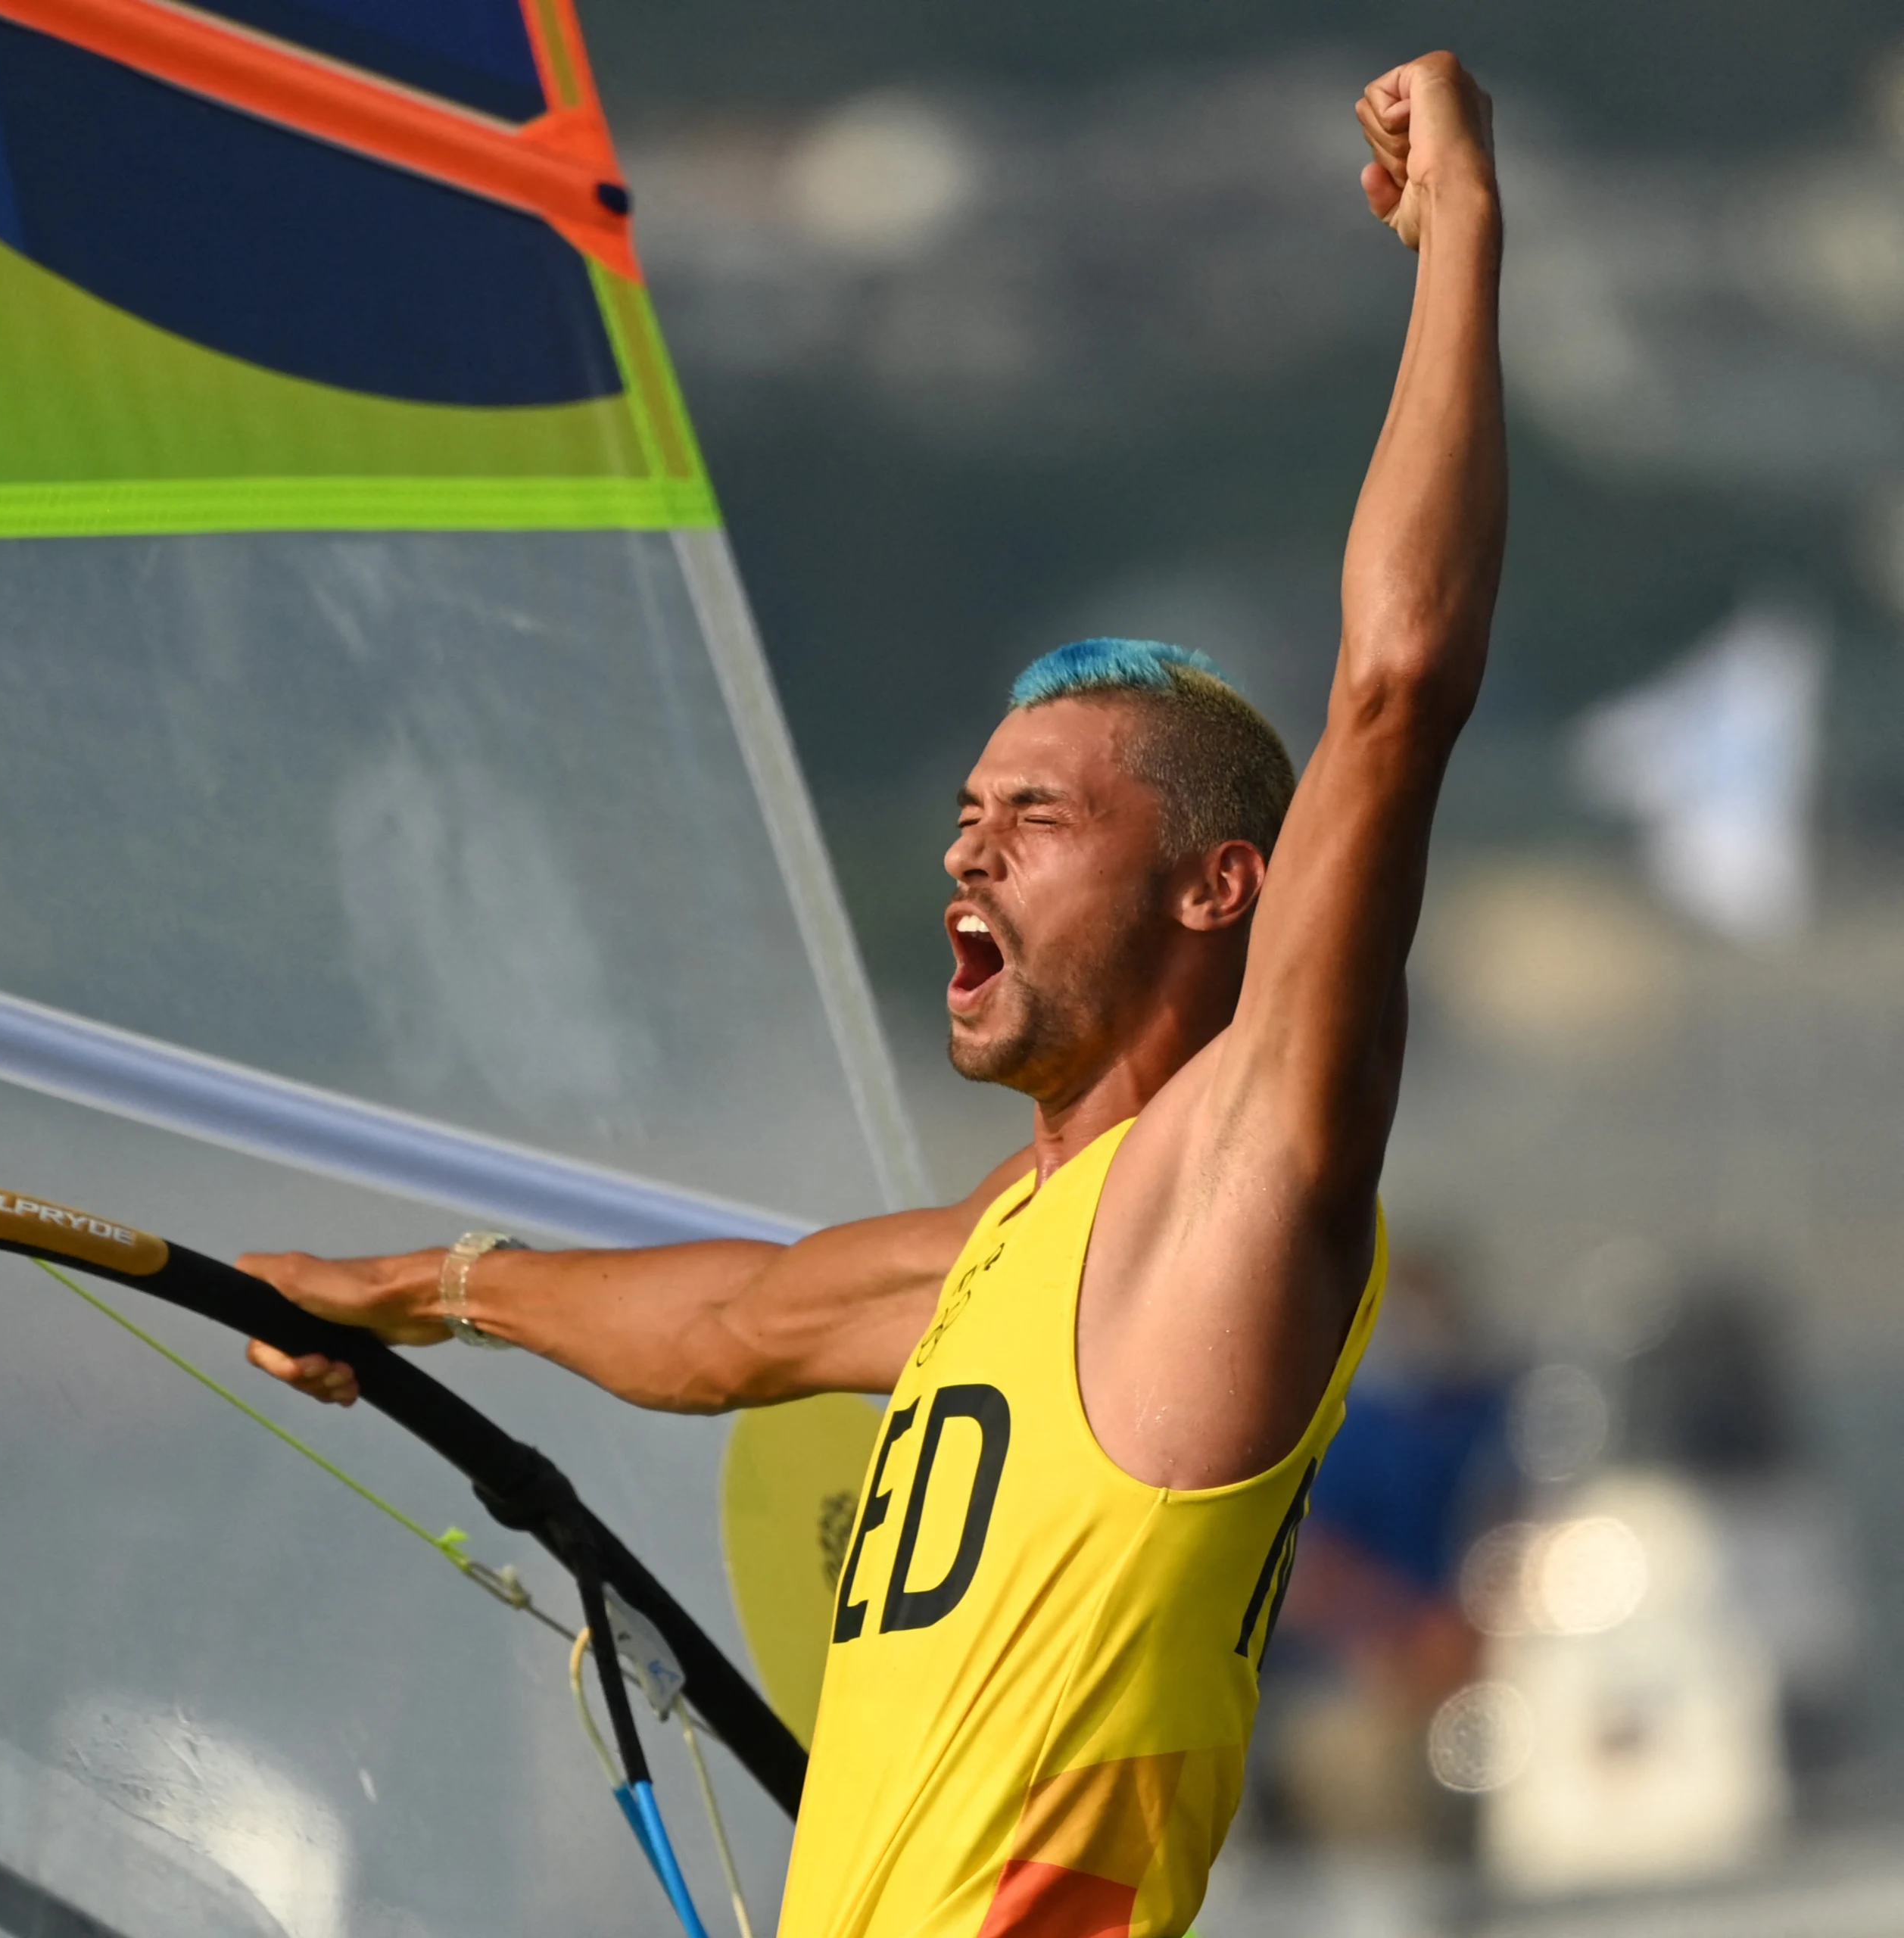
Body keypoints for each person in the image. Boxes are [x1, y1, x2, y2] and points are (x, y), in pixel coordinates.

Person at [241, 52, 1505, 1938]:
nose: (965, 854)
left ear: (1218, 885)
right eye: (968, 813)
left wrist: (1464, 244)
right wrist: (413, 1292)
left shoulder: (1240, 1180)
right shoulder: (1010, 1247)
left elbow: (1394, 687)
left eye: (1040, 817)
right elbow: (736, 1321)